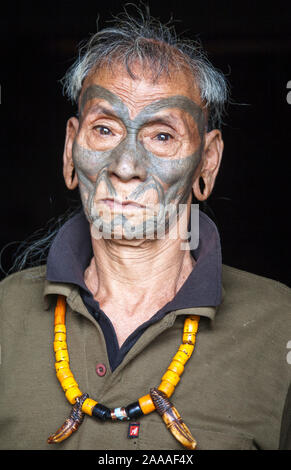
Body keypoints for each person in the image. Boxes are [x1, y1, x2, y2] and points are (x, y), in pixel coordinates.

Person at [0, 8, 290, 451]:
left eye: (161, 136)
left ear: (206, 164)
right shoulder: (5, 313)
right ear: (69, 149)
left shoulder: (280, 327)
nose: (126, 166)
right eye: (104, 129)